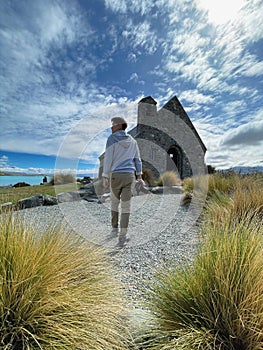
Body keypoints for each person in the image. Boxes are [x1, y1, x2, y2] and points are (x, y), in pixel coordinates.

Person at [102, 117, 144, 247]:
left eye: (113, 124)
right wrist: (139, 175)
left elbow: (108, 158)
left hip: (116, 176)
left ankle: (115, 229)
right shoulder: (133, 141)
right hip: (129, 176)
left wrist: (105, 175)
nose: (111, 127)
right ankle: (123, 236)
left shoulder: (111, 139)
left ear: (120, 126)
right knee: (126, 206)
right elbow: (137, 159)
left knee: (115, 203)